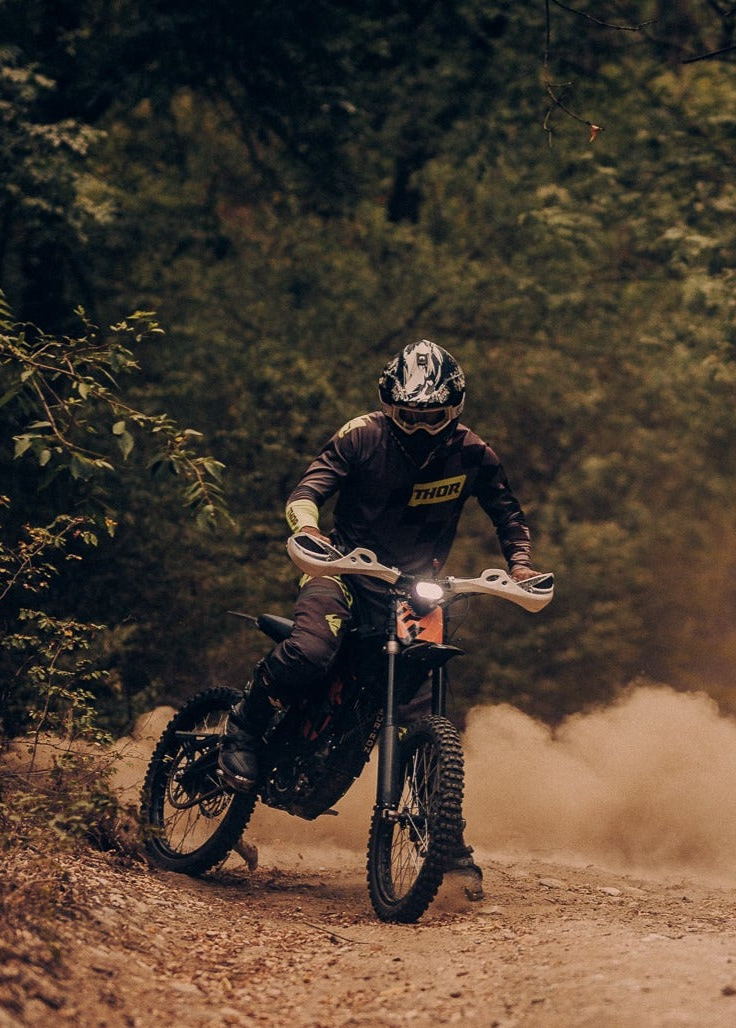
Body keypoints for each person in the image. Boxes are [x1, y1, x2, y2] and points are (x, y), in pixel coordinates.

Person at [219, 339, 543, 897]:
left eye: (433, 418)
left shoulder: (473, 453)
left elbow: (508, 516)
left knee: (420, 709)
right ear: (389, 405)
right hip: (341, 570)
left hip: (415, 594)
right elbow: (307, 491)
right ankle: (243, 728)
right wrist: (309, 531)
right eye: (408, 417)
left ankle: (446, 839)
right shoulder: (362, 435)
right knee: (312, 650)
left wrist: (521, 566)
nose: (419, 430)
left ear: (455, 409)